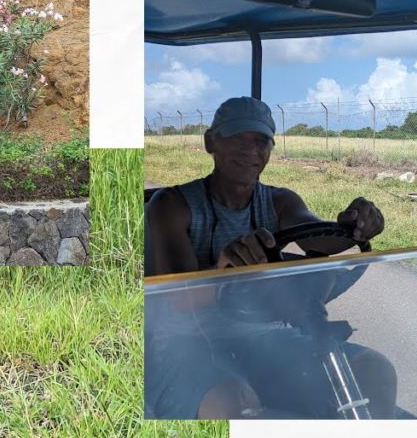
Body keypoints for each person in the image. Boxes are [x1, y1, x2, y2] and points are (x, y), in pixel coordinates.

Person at [144, 96, 397, 419]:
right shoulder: (172, 205)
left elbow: (318, 234)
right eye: (237, 136)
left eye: (261, 140)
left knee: (374, 371)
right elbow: (178, 298)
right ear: (211, 143)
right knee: (233, 402)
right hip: (187, 344)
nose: (250, 149)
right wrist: (222, 271)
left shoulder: (280, 202)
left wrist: (355, 223)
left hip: (265, 336)